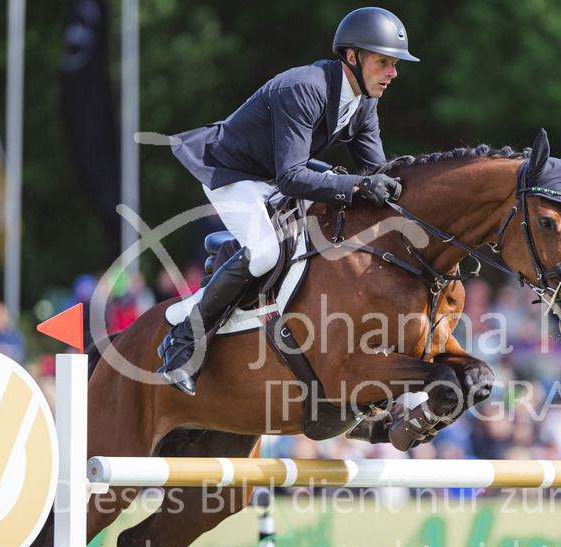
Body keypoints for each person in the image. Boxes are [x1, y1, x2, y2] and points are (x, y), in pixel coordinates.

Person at [160, 7, 419, 395]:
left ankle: (232, 258)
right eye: (384, 62)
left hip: (276, 176)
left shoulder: (364, 101)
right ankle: (183, 342)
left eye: (394, 64)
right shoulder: (304, 87)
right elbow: (293, 177)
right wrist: (358, 187)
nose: (393, 73)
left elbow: (375, 172)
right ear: (352, 57)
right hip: (233, 174)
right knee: (265, 253)